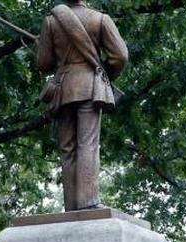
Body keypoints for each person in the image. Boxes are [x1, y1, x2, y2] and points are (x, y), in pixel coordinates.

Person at [35, 0, 128, 211]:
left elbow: (43, 63)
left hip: (63, 89)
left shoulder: (51, 21)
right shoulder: (100, 19)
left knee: (67, 148)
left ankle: (72, 206)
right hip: (90, 88)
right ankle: (88, 201)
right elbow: (120, 56)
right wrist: (105, 74)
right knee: (88, 144)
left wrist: (41, 46)